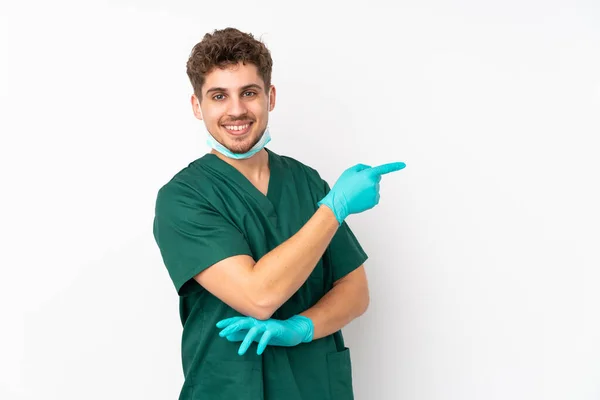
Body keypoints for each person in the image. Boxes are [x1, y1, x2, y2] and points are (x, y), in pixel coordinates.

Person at [152, 27, 406, 400]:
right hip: (231, 388)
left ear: (270, 97)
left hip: (315, 386)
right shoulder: (183, 198)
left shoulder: (306, 182)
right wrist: (334, 209)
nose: (236, 110)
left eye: (249, 93)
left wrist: (302, 327)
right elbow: (257, 296)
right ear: (197, 106)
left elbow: (355, 292)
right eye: (219, 96)